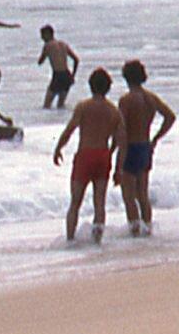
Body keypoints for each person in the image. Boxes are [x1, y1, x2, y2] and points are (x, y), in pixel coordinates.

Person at [53, 69, 125, 243]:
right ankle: (96, 240)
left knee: (75, 201)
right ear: (108, 88)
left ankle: (70, 239)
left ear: (90, 86)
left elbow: (69, 130)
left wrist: (58, 148)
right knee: (99, 203)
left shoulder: (83, 107)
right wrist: (119, 169)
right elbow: (122, 143)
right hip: (103, 155)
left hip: (85, 155)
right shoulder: (114, 111)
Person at [114, 60, 177, 235]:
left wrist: (116, 159)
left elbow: (121, 131)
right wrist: (156, 138)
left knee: (128, 196)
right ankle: (147, 228)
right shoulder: (151, 98)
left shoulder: (126, 100)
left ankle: (134, 230)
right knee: (142, 193)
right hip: (145, 146)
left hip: (130, 148)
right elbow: (170, 117)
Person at [37, 27, 77, 110]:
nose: (41, 38)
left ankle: (48, 121)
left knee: (46, 106)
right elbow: (76, 59)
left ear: (48, 34)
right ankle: (60, 121)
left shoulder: (48, 45)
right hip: (67, 76)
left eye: (42, 35)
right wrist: (73, 75)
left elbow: (40, 62)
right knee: (61, 106)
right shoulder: (63, 44)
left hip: (58, 76)